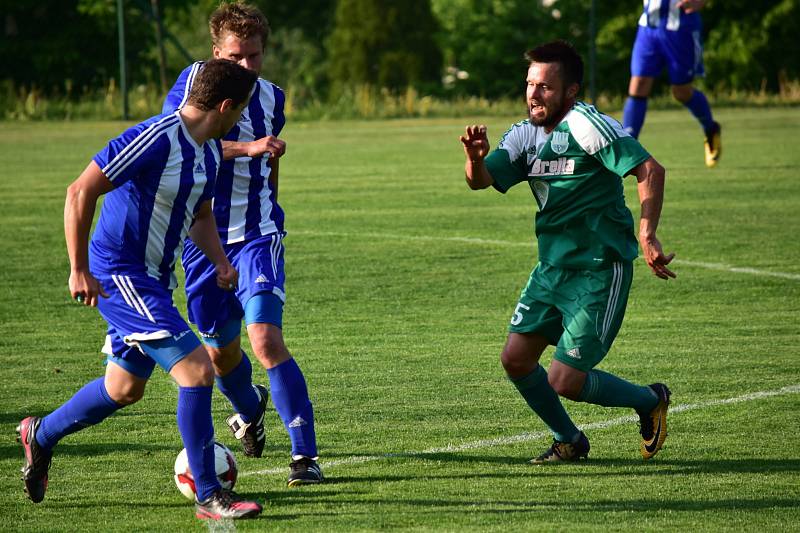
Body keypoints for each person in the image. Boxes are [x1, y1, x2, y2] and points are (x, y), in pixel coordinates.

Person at [17, 59, 264, 520]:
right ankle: (210, 494)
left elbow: (201, 214)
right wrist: (78, 268)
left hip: (152, 278)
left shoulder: (210, 151)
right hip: (119, 272)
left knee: (124, 387)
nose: (242, 117)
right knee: (195, 370)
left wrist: (221, 262)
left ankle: (40, 434)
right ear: (226, 105)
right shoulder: (156, 138)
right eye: (242, 109)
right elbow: (79, 191)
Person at [460, 40, 675, 463]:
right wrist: (474, 159)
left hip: (599, 269)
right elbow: (481, 180)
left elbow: (649, 169)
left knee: (564, 380)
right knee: (516, 359)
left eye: (544, 87)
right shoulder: (524, 136)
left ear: (570, 91)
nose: (533, 95)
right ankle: (569, 440)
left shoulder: (588, 125)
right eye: (529, 85)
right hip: (552, 269)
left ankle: (649, 400)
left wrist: (647, 233)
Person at [161, 2, 322, 486]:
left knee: (265, 339)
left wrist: (268, 184)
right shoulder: (193, 86)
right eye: (236, 57)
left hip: (257, 235)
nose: (247, 67)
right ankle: (251, 411)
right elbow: (180, 141)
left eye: (255, 56)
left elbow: (270, 160)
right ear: (216, 53)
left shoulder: (273, 97)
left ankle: (304, 458)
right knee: (219, 355)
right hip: (202, 240)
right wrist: (248, 148)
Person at [622, 0, 721, 167]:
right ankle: (626, 149)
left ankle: (711, 129)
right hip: (649, 27)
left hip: (681, 29)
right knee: (638, 84)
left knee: (681, 92)